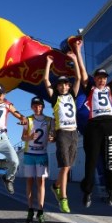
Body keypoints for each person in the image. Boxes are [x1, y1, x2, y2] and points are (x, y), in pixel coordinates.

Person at [78, 43, 112, 208]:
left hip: (110, 125)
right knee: (91, 161)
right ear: (95, 79)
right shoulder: (90, 89)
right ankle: (87, 192)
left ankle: (111, 192)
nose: (102, 80)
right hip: (94, 125)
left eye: (104, 77)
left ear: (106, 79)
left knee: (111, 161)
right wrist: (78, 51)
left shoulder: (110, 88)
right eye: (99, 77)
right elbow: (81, 72)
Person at [44, 45, 82, 213]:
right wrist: (48, 64)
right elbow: (46, 81)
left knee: (68, 166)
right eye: (60, 84)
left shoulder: (72, 95)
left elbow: (79, 79)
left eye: (66, 84)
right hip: (62, 133)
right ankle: (63, 199)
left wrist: (74, 59)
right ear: (58, 87)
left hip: (74, 132)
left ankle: (55, 186)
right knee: (65, 167)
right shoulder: (55, 98)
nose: (64, 86)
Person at [21, 96, 54, 223]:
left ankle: (40, 211)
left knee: (41, 183)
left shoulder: (49, 120)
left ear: (42, 106)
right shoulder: (27, 120)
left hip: (42, 155)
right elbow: (23, 137)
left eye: (39, 105)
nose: (37, 108)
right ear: (32, 107)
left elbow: (52, 135)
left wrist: (52, 137)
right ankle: (30, 210)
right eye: (35, 105)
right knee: (29, 182)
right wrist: (29, 137)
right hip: (29, 154)